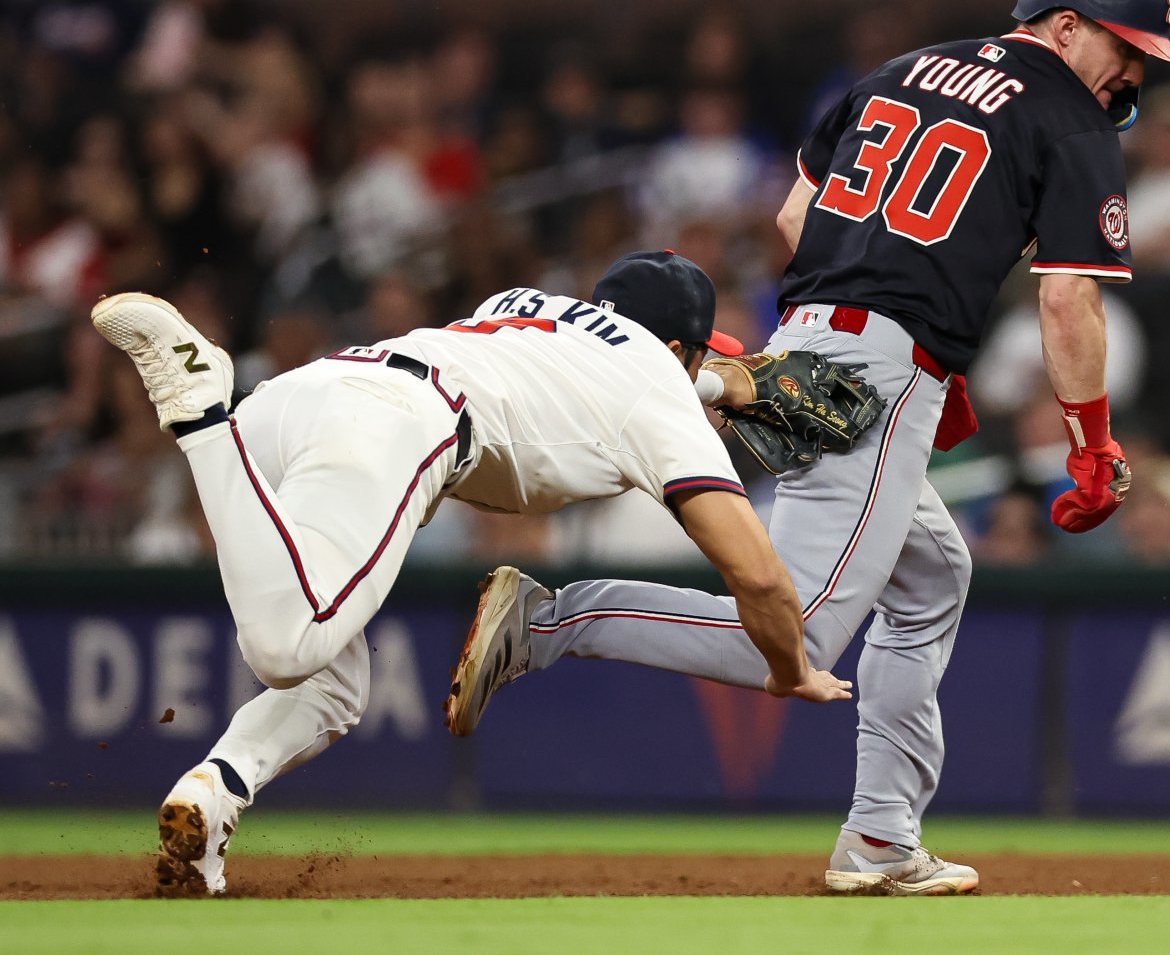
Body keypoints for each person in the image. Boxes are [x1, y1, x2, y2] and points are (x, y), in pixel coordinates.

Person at [450, 0, 1170, 896]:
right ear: (1062, 24)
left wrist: (858, 333)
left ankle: (881, 836)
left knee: (931, 578)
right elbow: (1067, 303)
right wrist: (1091, 442)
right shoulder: (1069, 118)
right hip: (881, 370)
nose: (1134, 70)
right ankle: (552, 622)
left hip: (808, 343)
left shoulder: (895, 73)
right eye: (1123, 46)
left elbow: (797, 221)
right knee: (788, 637)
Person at [90, 249, 850, 897]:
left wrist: (717, 382)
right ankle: (200, 418)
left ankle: (213, 797)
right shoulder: (662, 396)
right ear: (684, 349)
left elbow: (612, 367)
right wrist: (790, 668)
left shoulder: (527, 305)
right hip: (395, 426)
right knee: (287, 646)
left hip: (302, 398)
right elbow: (758, 576)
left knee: (332, 677)